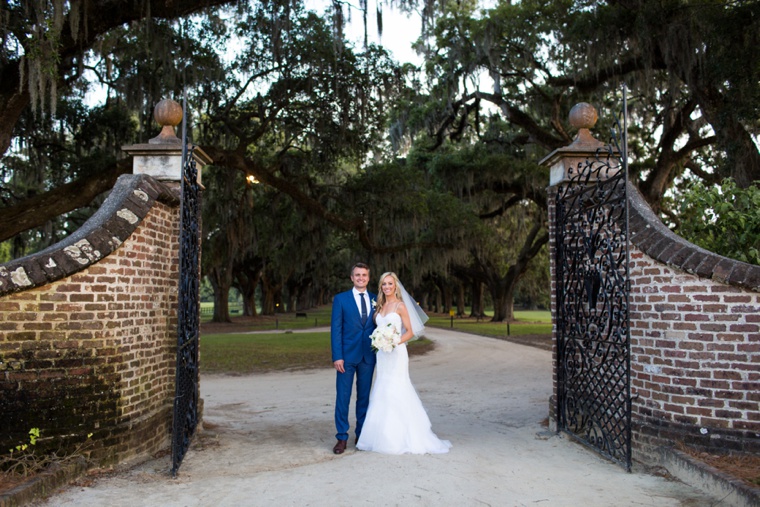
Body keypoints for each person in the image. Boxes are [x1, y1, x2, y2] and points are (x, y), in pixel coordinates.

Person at [356, 272, 452, 454]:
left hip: (396, 352)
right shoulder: (380, 306)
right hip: (382, 354)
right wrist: (381, 341)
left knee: (396, 388)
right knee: (382, 388)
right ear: (381, 287)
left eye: (390, 284)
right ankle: (380, 436)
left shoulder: (400, 306)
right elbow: (377, 328)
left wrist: (393, 341)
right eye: (384, 284)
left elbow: (410, 331)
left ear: (395, 286)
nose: (387, 287)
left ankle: (400, 438)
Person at [330, 262, 377, 454]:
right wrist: (337, 356)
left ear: (368, 277)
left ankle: (361, 434)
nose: (361, 278)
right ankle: (342, 437)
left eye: (364, 275)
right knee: (343, 397)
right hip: (346, 357)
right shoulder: (341, 299)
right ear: (352, 278)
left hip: (368, 356)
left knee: (364, 398)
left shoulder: (376, 299)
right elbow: (336, 330)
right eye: (357, 275)